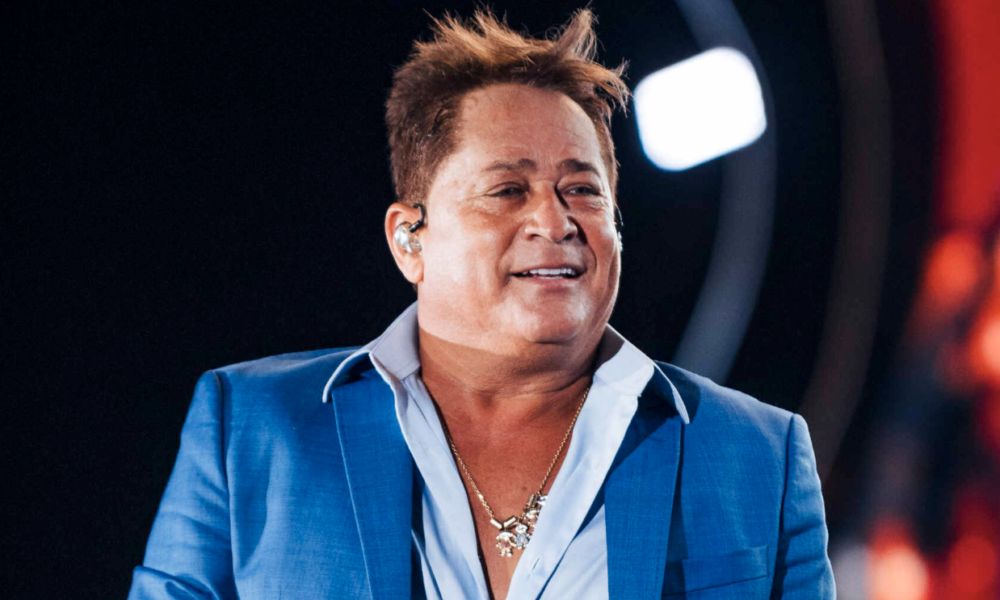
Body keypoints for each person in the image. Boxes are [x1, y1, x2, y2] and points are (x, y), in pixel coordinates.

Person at [128, 9, 835, 600]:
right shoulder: (252, 429)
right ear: (410, 238)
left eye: (582, 190)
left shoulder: (758, 455)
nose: (554, 221)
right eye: (508, 190)